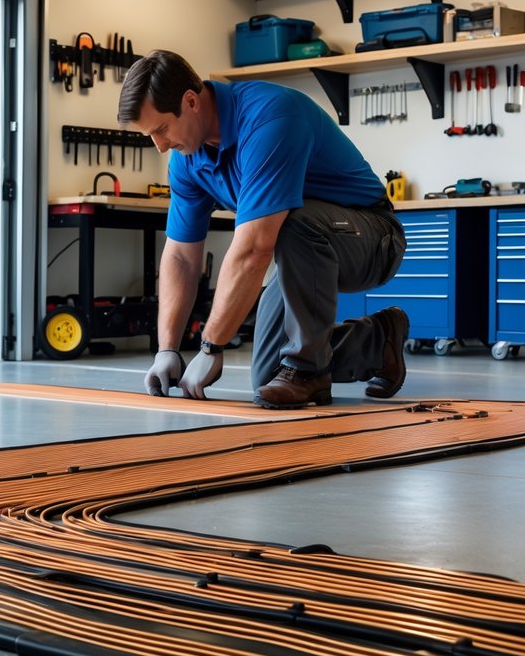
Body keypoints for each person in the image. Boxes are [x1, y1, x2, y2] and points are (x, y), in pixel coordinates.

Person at [117, 49, 408, 407]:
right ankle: (378, 342)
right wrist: (168, 349)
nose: (160, 147)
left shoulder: (270, 117)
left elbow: (256, 247)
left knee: (290, 221)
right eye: (151, 135)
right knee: (271, 375)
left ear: (191, 101)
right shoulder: (186, 159)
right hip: (303, 248)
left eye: (161, 129)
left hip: (373, 236)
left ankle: (309, 370)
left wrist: (211, 345)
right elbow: (181, 257)